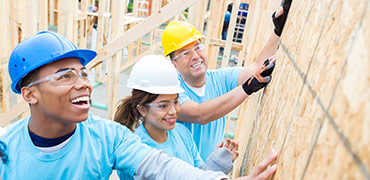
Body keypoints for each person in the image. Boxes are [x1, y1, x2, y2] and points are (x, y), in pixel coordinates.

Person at [1, 31, 278, 179]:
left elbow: (165, 169)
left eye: (83, 73)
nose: (83, 83)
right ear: (29, 95)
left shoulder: (110, 138)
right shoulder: (5, 150)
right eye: (65, 76)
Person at [161, 0, 292, 161]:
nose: (195, 56)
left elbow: (256, 67)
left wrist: (277, 31)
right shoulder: (171, 92)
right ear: (174, 63)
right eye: (185, 53)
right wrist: (246, 89)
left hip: (211, 173)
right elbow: (199, 114)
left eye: (197, 47)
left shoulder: (219, 78)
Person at [114, 55, 239, 175]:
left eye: (176, 102)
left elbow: (200, 173)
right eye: (163, 106)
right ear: (142, 109)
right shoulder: (137, 151)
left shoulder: (182, 133)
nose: (173, 111)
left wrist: (216, 166)